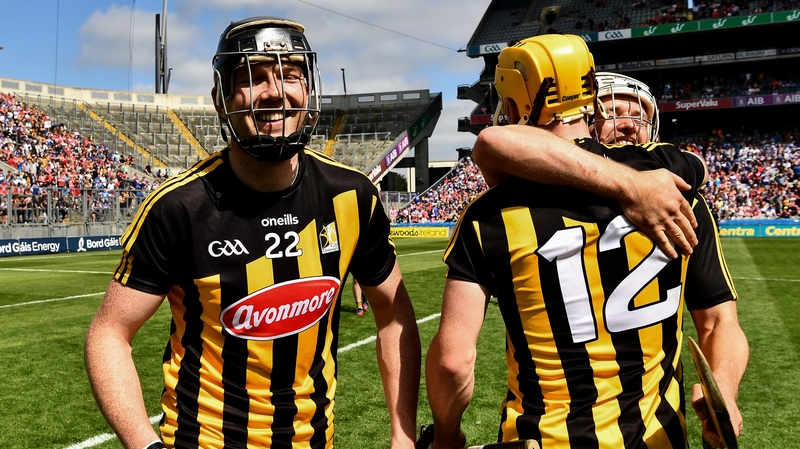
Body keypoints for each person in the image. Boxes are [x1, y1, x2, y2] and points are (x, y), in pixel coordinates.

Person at [85, 16, 421, 449]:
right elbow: (109, 333)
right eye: (252, 77)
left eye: (291, 74)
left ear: (308, 90)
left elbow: (394, 315)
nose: (275, 91)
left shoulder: (352, 195)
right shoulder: (178, 208)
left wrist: (403, 436)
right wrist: (143, 444)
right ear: (221, 100)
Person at [426, 34, 748, 449]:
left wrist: (446, 436)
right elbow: (720, 322)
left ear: (515, 104)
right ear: (593, 99)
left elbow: (453, 362)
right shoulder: (677, 195)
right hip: (658, 439)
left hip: (542, 438)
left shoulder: (489, 214)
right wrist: (723, 388)